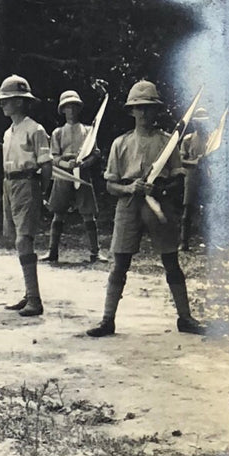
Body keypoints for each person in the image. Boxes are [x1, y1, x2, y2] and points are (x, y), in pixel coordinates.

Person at [87, 80, 205, 338]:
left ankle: (185, 318)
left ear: (156, 111)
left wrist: (160, 190)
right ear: (132, 111)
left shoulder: (167, 142)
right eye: (139, 108)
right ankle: (108, 320)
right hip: (129, 205)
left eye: (149, 108)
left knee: (171, 261)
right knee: (119, 263)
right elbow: (110, 184)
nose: (144, 113)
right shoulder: (121, 143)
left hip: (157, 205)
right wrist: (130, 189)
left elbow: (178, 178)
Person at [0, 74, 53, 318]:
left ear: (20, 102)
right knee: (16, 239)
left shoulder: (35, 129)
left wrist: (44, 192)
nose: (2, 105)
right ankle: (29, 293)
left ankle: (35, 299)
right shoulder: (9, 132)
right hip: (9, 184)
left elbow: (46, 164)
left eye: (7, 100)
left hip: (27, 184)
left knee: (24, 239)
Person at [45, 89, 101, 265]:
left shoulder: (88, 130)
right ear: (62, 110)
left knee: (88, 214)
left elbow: (95, 153)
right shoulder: (57, 133)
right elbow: (53, 157)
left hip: (82, 173)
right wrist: (64, 164)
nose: (71, 110)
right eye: (67, 107)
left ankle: (95, 252)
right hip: (63, 175)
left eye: (74, 106)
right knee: (58, 213)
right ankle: (52, 252)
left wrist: (85, 163)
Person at [178, 106, 211, 252]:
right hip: (191, 177)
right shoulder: (188, 139)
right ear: (194, 123)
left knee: (208, 210)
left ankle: (209, 243)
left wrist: (208, 161)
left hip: (207, 177)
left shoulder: (212, 139)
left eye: (203, 122)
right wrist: (195, 162)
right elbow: (180, 160)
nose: (200, 124)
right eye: (198, 122)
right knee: (188, 210)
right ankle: (184, 242)